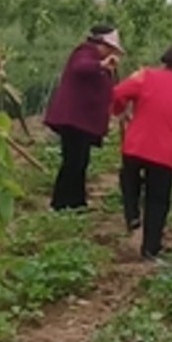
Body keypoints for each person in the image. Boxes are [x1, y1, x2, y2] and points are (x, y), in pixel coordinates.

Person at [112, 44, 172, 261]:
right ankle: (151, 248)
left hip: (136, 145)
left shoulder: (144, 76)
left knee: (128, 177)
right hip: (164, 153)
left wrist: (120, 110)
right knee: (158, 200)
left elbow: (118, 93)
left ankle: (132, 213)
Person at [43, 25, 123, 210]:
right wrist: (101, 65)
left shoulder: (97, 60)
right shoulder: (84, 52)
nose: (110, 53)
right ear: (100, 44)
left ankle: (77, 202)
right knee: (73, 161)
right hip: (73, 119)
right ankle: (61, 203)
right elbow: (80, 67)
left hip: (81, 120)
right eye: (109, 49)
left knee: (81, 161)